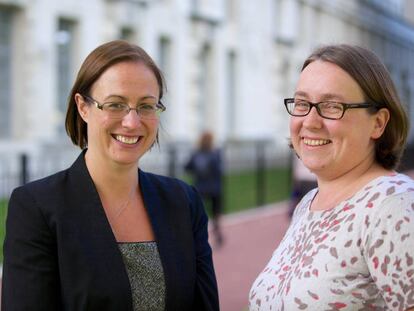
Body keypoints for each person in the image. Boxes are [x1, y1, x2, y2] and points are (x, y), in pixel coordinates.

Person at [2, 40, 219, 311]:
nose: (132, 122)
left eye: (146, 106)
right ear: (83, 107)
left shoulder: (183, 202)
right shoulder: (37, 208)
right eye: (115, 105)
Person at [249, 44, 414, 310]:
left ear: (378, 123)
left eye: (332, 106)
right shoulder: (309, 203)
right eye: (302, 103)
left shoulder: (395, 208)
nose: (311, 121)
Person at [185, 131, 224, 247]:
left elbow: (187, 167)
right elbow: (219, 170)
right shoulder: (216, 153)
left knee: (199, 214)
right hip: (215, 189)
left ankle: (198, 238)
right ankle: (217, 234)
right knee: (215, 213)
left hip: (200, 189)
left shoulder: (196, 154)